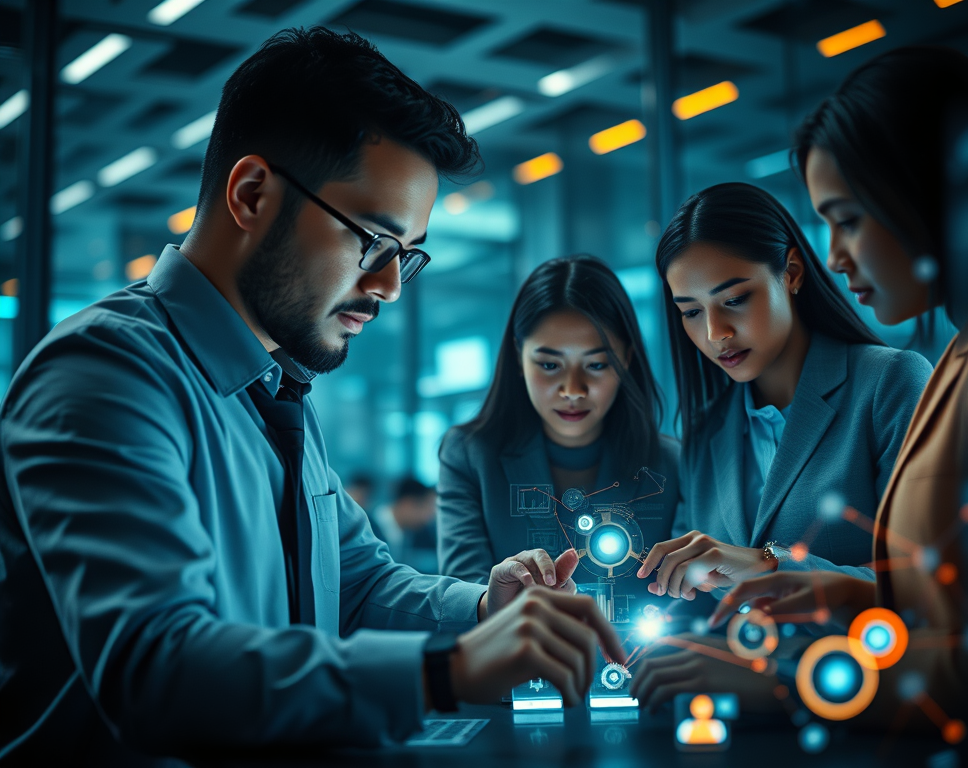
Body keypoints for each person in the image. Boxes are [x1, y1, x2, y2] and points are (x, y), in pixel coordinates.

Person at [0, 28, 624, 765]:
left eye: (408, 256)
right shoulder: (104, 375)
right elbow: (156, 667)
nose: (390, 285)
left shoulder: (274, 383)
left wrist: (485, 610)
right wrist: (444, 674)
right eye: (372, 242)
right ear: (253, 194)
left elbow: (352, 584)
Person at [685, 47, 968, 751]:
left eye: (849, 219)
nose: (837, 256)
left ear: (931, 190)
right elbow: (947, 599)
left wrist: (788, 674)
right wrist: (840, 594)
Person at [628, 182, 931, 710]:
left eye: (735, 299)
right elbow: (699, 603)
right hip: (735, 722)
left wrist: (768, 563)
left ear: (790, 273)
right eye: (691, 311)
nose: (716, 333)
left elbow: (926, 590)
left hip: (870, 713)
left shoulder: (890, 383)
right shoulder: (706, 430)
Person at [437, 255, 682, 624]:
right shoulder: (470, 454)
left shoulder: (672, 463)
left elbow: (688, 602)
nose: (572, 390)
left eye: (597, 365)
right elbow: (466, 600)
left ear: (627, 359)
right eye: (550, 365)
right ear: (519, 356)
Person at [373, 476, 440, 573]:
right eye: (427, 509)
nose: (427, 518)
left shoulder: (409, 532)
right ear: (407, 503)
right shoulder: (372, 528)